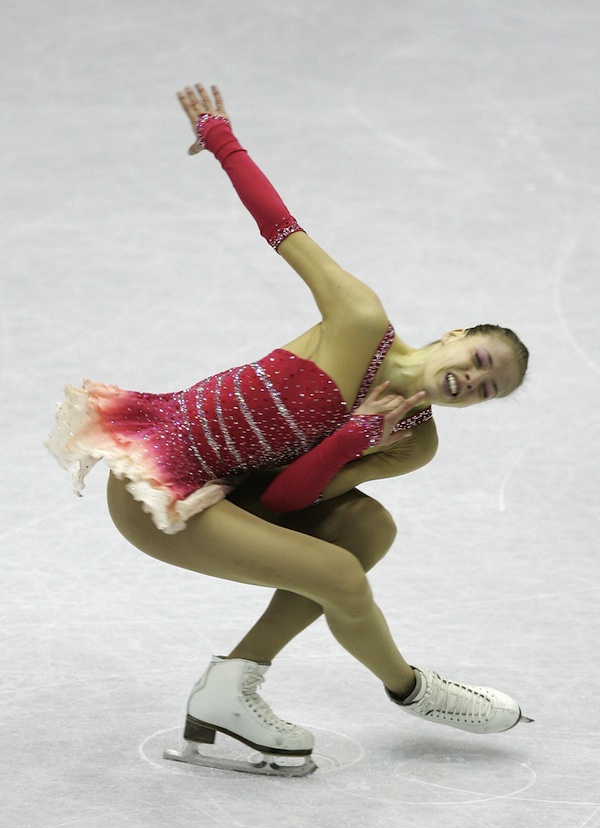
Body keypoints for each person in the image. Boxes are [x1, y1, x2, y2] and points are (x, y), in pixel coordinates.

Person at [46, 84, 531, 777]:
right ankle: (412, 689)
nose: (475, 380)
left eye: (489, 389)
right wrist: (221, 138)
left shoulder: (413, 442)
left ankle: (230, 687)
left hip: (235, 496)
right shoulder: (360, 318)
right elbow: (279, 225)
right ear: (456, 336)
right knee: (337, 574)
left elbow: (281, 503)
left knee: (367, 531)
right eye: (481, 360)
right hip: (159, 485)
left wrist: (353, 440)